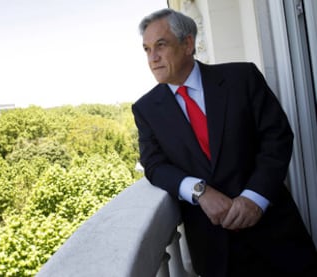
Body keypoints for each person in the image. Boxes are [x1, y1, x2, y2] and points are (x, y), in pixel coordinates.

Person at [132, 8, 317, 277]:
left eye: (161, 45)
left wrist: (255, 198)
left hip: (276, 234)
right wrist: (199, 191)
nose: (153, 58)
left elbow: (276, 137)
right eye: (147, 49)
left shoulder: (241, 78)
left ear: (188, 44)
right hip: (214, 250)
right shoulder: (146, 108)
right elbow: (154, 164)